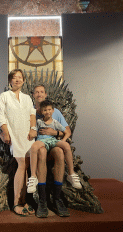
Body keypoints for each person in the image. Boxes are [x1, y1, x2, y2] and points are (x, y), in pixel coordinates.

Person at [29, 84, 82, 218]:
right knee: (40, 151)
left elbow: (67, 131)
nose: (39, 94)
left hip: (53, 144)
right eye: (37, 92)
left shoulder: (55, 112)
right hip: (40, 146)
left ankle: (57, 198)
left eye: (42, 92)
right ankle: (42, 201)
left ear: (45, 94)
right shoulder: (31, 112)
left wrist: (55, 132)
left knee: (59, 152)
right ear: (33, 95)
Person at [0, 69, 37, 216]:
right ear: (10, 81)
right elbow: (0, 115)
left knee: (26, 166)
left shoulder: (27, 98)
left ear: (23, 81)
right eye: (14, 78)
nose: (17, 80)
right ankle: (16, 203)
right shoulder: (4, 96)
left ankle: (24, 200)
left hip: (27, 135)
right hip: (14, 134)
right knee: (22, 164)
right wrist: (5, 132)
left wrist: (33, 129)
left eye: (20, 77)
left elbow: (32, 113)